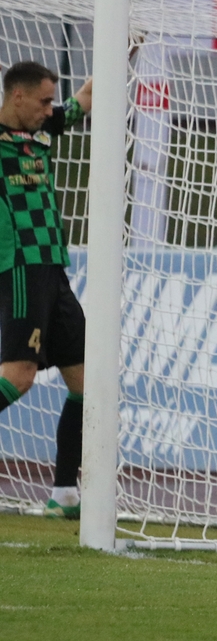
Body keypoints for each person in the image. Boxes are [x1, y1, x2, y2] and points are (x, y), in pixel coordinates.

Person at [0, 61, 91, 519]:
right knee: (19, 377)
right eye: (43, 101)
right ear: (16, 96)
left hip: (55, 269)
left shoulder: (43, 130)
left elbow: (86, 99)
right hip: (20, 268)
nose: (49, 109)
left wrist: (128, 46)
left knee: (88, 384)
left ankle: (65, 494)